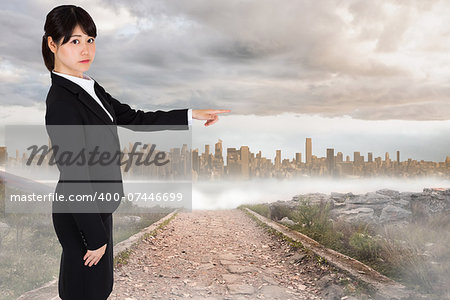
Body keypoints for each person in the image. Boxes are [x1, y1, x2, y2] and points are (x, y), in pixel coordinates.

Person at [42, 5, 230, 300]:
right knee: (84, 290)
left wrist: (191, 114)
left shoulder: (89, 86)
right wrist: (94, 236)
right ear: (53, 44)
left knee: (99, 288)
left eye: (90, 40)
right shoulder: (62, 102)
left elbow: (135, 117)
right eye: (74, 41)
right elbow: (74, 173)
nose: (86, 49)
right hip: (81, 214)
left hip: (98, 205)